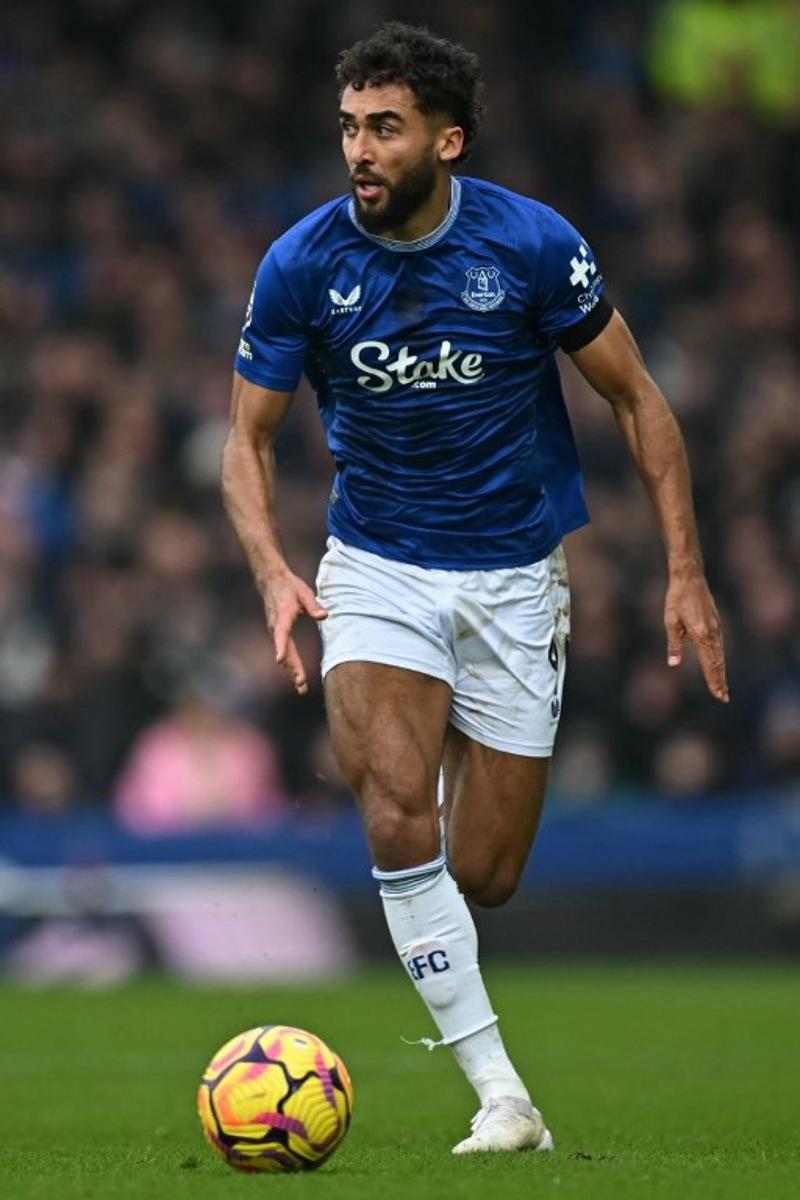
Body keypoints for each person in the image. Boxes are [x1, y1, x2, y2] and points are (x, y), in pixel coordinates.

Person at [221, 21, 728, 1154]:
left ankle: (433, 745)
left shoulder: (534, 248)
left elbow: (638, 401)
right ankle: (503, 1096)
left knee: (484, 874)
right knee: (395, 812)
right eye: (349, 126)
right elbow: (244, 443)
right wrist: (271, 570)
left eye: (384, 129)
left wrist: (685, 572)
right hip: (377, 566)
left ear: (444, 141)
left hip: (511, 576)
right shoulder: (303, 263)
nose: (359, 149)